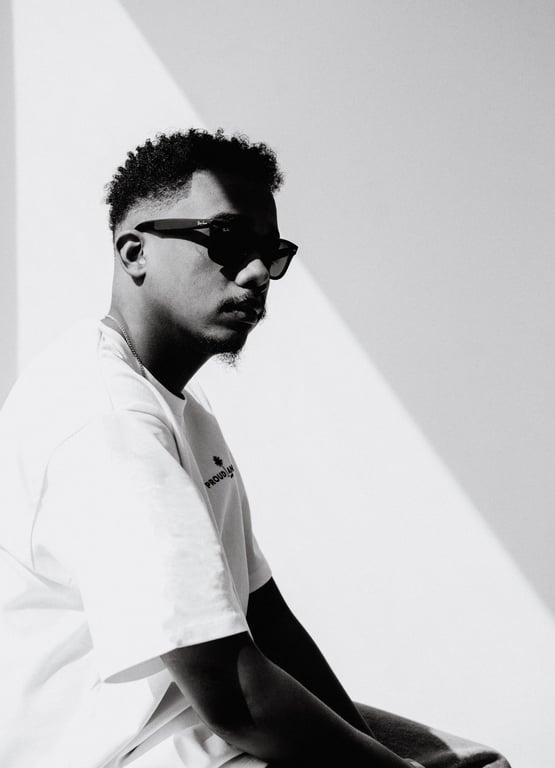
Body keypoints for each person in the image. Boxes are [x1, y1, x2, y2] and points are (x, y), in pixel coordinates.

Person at [0, 129, 509, 768]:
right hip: (135, 751)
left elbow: (265, 617)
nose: (257, 273)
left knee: (472, 762)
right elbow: (234, 697)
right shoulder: (105, 420)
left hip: (198, 728)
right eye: (227, 240)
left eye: (272, 253)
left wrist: (380, 749)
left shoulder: (178, 403)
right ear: (135, 252)